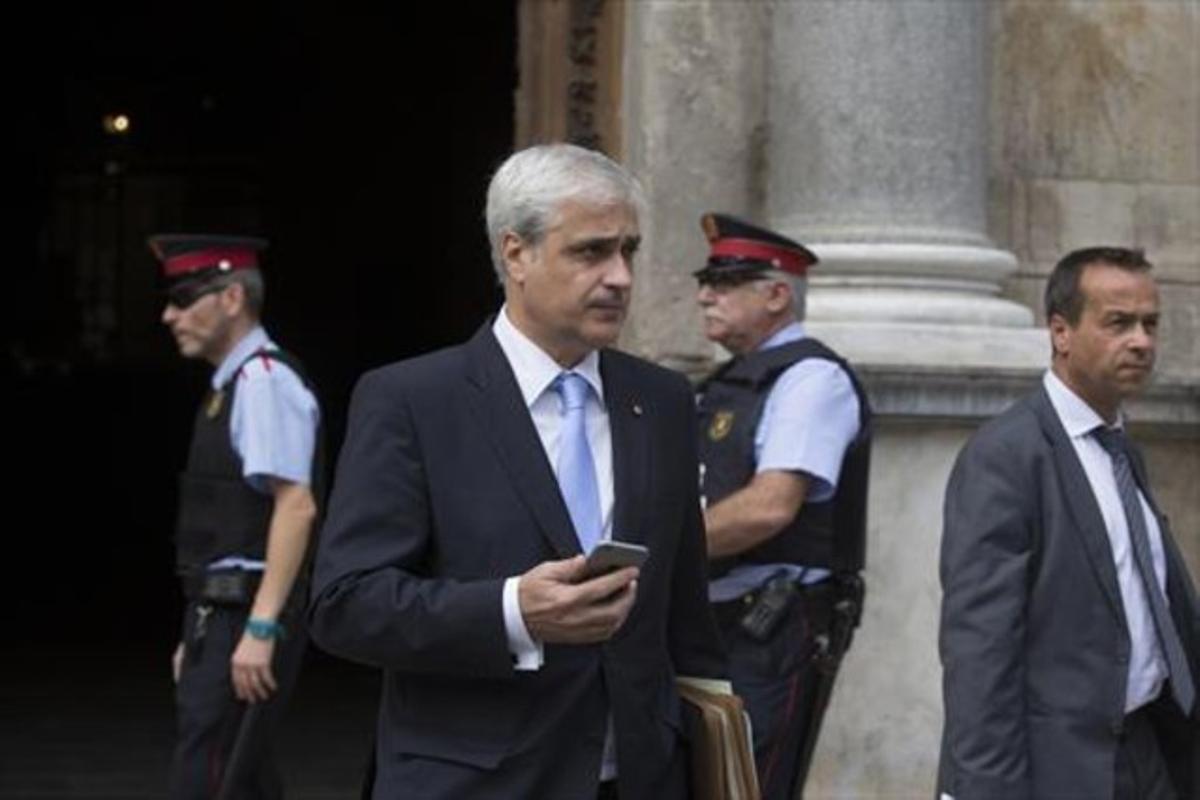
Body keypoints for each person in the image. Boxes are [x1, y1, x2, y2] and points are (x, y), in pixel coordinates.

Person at [307, 143, 726, 799]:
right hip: (477, 781)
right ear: (516, 254)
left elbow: (687, 622)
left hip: (642, 777)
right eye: (591, 251)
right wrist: (512, 612)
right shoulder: (413, 400)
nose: (620, 276)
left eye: (629, 251)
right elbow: (346, 605)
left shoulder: (664, 401)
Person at [938, 247, 1199, 799]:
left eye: (1150, 324)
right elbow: (982, 651)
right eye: (1118, 323)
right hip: (1062, 770)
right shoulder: (1007, 455)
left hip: (1150, 752)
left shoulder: (1123, 451)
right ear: (1061, 332)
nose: (1142, 341)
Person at [692, 213, 871, 800]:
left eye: (725, 283)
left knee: (749, 782)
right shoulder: (726, 382)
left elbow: (770, 508)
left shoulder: (810, 378)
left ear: (775, 294)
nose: (704, 295)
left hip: (770, 623)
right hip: (714, 615)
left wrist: (657, 549)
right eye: (706, 282)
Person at [154, 234, 322, 799]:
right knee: (237, 771)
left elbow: (295, 505)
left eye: (183, 298)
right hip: (219, 611)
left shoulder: (263, 382)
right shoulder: (230, 386)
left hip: (245, 609)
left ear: (231, 298)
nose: (169, 314)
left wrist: (260, 626)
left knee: (210, 771)